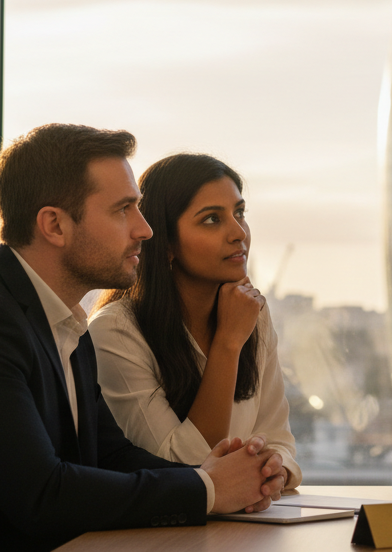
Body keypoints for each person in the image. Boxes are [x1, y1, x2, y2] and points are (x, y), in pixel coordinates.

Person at [0, 124, 283, 552]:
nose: (144, 230)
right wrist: (207, 488)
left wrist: (215, 475)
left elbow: (112, 457)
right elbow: (42, 495)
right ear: (54, 225)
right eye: (123, 209)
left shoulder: (62, 322)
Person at [89, 153, 300, 494]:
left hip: (246, 528)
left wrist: (278, 471)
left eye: (240, 213)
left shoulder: (253, 315)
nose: (238, 233)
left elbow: (279, 439)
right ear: (167, 243)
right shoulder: (116, 331)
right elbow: (186, 468)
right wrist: (228, 344)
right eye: (212, 220)